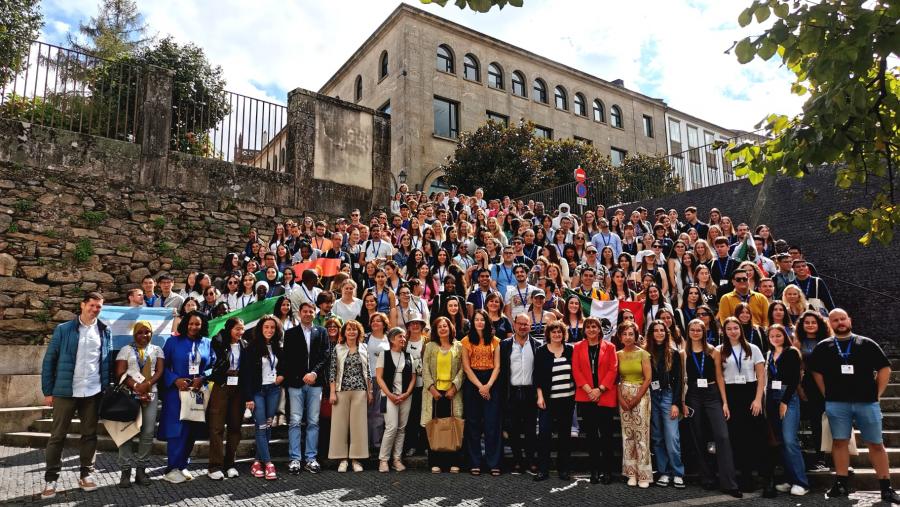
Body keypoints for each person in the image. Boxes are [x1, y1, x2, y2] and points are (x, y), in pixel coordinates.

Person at [809, 309, 899, 502]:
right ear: (830, 324)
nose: (840, 322)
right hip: (837, 403)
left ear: (849, 320)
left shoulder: (866, 343)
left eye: (843, 319)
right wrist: (827, 394)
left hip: (866, 403)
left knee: (876, 444)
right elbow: (816, 371)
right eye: (835, 320)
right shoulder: (824, 347)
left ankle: (886, 487)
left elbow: (884, 368)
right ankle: (840, 484)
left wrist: (878, 394)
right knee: (839, 442)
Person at [40, 292, 112, 499]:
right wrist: (48, 390)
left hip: (93, 391)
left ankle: (86, 475)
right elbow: (49, 361)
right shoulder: (64, 329)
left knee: (89, 435)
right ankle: (51, 480)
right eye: (92, 305)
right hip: (65, 391)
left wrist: (105, 387)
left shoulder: (105, 331)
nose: (95, 309)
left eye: (99, 306)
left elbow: (105, 362)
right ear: (82, 305)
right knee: (57, 436)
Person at [683, 319, 741, 497]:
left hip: (712, 392)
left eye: (698, 330)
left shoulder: (713, 351)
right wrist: (682, 402)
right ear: (688, 332)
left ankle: (729, 483)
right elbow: (681, 379)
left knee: (722, 436)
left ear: (704, 331)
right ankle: (707, 477)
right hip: (693, 395)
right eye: (692, 330)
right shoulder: (683, 353)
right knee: (698, 436)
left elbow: (719, 377)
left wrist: (724, 402)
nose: (695, 333)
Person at [158, 311, 214, 484]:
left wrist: (203, 377)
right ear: (185, 324)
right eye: (190, 323)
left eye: (197, 324)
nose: (193, 327)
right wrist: (174, 380)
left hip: (197, 392)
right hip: (177, 393)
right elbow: (162, 367)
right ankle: (171, 469)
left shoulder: (207, 343)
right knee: (177, 430)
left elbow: (213, 366)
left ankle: (182, 465)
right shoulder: (172, 342)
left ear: (202, 325)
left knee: (192, 429)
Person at [719, 317, 769, 493]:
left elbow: (761, 376)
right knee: (736, 437)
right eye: (729, 329)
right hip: (731, 395)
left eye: (736, 328)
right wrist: (724, 402)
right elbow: (720, 379)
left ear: (740, 329)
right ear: (724, 332)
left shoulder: (753, 348)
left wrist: (757, 399)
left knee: (754, 436)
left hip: (750, 393)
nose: (733, 331)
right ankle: (742, 477)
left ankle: (760, 477)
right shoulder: (720, 350)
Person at [113, 320, 164, 488]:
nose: (144, 335)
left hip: (150, 394)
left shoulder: (157, 350)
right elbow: (120, 372)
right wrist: (136, 386)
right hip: (129, 395)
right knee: (127, 432)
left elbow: (159, 371)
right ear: (134, 334)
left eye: (147, 332)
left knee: (148, 432)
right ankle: (125, 471)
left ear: (152, 333)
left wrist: (146, 385)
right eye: (140, 332)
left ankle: (141, 470)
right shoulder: (126, 350)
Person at [281, 302, 330, 474]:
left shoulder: (321, 332)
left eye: (311, 311)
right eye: (305, 311)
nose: (308, 314)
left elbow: (325, 355)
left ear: (315, 314)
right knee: (295, 421)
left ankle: (311, 458)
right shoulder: (290, 333)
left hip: (315, 383)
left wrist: (314, 374)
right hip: (296, 383)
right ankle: (295, 458)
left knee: (313, 422)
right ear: (299, 313)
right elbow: (287, 358)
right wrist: (302, 375)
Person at [572, 316, 618, 484]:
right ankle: (594, 470)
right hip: (586, 396)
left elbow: (613, 370)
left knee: (606, 435)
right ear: (584, 330)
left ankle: (607, 471)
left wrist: (600, 389)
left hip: (604, 395)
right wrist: (588, 390)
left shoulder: (610, 347)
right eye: (588, 327)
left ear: (600, 330)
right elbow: (576, 370)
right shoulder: (578, 347)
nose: (591, 329)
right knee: (591, 436)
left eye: (595, 327)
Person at [765, 324, 810, 497]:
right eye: (772, 336)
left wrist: (784, 401)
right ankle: (790, 479)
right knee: (781, 440)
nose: (775, 338)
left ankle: (801, 482)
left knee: (790, 439)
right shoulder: (769, 354)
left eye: (778, 335)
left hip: (787, 397)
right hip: (771, 396)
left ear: (784, 336)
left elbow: (793, 379)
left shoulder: (791, 352)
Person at [240, 316, 284, 480]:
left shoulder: (277, 346)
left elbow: (284, 365)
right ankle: (269, 463)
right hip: (258, 391)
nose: (269, 330)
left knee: (267, 425)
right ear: (260, 328)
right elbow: (246, 375)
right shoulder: (251, 348)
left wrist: (282, 376)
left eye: (272, 327)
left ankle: (257, 461)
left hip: (273, 390)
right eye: (266, 327)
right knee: (260, 426)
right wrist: (248, 397)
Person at [461, 309, 503, 475]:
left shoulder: (495, 341)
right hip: (473, 383)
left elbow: (498, 365)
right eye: (476, 319)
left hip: (492, 381)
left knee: (492, 424)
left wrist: (488, 386)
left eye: (482, 320)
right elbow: (466, 366)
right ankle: (475, 462)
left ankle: (494, 463)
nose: (479, 322)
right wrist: (480, 386)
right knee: (473, 424)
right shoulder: (465, 341)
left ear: (487, 322)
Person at [421, 316, 465, 473]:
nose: (442, 328)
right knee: (435, 427)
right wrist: (431, 388)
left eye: (445, 326)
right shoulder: (430, 346)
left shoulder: (458, 346)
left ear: (450, 328)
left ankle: (454, 462)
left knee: (453, 426)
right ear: (436, 329)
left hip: (452, 393)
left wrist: (455, 387)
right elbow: (424, 368)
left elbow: (463, 369)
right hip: (434, 393)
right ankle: (435, 462)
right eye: (439, 326)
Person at [533, 321, 576, 481]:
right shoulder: (541, 351)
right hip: (548, 401)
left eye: (560, 332)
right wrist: (540, 396)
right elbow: (536, 375)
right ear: (549, 334)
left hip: (567, 400)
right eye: (554, 332)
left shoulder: (570, 350)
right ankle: (543, 469)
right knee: (544, 434)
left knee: (564, 436)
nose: (557, 334)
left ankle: (563, 469)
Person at [645, 320, 685, 489]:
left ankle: (677, 472)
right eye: (656, 330)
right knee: (657, 437)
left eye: (662, 330)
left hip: (668, 395)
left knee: (672, 437)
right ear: (651, 333)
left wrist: (676, 403)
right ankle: (664, 472)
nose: (659, 333)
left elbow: (678, 380)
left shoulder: (673, 353)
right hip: (652, 396)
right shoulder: (646, 352)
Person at [328, 320, 372, 472]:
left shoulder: (365, 348)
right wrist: (332, 392)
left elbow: (368, 372)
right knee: (340, 426)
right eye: (349, 330)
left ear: (359, 332)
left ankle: (356, 459)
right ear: (344, 332)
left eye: (354, 330)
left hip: (360, 391)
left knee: (358, 427)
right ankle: (342, 459)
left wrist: (370, 391)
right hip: (341, 391)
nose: (352, 332)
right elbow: (332, 371)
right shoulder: (338, 348)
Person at [500, 313, 540, 475]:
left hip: (530, 392)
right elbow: (502, 371)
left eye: (526, 324)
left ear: (530, 326)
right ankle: (517, 461)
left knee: (531, 430)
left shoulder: (537, 345)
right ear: (514, 324)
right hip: (512, 392)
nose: (523, 327)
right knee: (514, 429)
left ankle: (531, 461)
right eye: (520, 323)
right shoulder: (505, 345)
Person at [207, 317, 246, 480]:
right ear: (229, 329)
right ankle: (214, 466)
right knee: (217, 426)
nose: (240, 332)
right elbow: (216, 344)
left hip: (238, 388)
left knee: (235, 426)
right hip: (222, 386)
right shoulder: (220, 343)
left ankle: (230, 464)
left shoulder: (245, 345)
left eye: (242, 329)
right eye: (237, 328)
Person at [615, 321, 653, 488]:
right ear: (620, 337)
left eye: (631, 334)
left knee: (641, 435)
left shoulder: (643, 354)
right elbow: (615, 379)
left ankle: (644, 475)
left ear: (636, 336)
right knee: (628, 435)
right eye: (625, 334)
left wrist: (637, 398)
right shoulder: (617, 354)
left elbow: (648, 378)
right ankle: (631, 473)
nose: (628, 337)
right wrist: (621, 399)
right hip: (623, 393)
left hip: (641, 394)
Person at [376, 327, 417, 472]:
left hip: (405, 396)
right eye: (400, 336)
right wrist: (390, 395)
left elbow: (413, 378)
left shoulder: (408, 356)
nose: (403, 339)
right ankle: (383, 460)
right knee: (391, 427)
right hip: (388, 396)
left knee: (401, 428)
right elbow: (379, 378)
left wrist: (406, 393)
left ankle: (396, 459)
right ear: (392, 339)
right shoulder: (384, 355)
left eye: (404, 337)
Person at [794, 310, 831, 471]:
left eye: (813, 322)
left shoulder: (828, 341)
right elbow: (796, 368)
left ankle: (828, 457)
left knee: (827, 422)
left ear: (819, 324)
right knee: (814, 421)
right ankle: (816, 458)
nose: (810, 325)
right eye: (806, 322)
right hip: (807, 385)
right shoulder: (798, 343)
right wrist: (800, 389)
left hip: (827, 384)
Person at [365, 312, 392, 450]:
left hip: (383, 380)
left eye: (379, 321)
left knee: (380, 412)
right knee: (366, 412)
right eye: (373, 321)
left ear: (384, 323)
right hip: (368, 380)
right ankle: (365, 445)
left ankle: (377, 444)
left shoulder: (389, 339)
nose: (375, 323)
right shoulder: (365, 338)